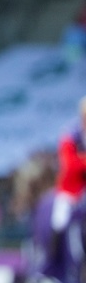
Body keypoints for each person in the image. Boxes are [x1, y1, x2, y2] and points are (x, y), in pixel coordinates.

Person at [50, 96, 86, 258]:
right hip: (72, 188)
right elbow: (70, 165)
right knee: (60, 219)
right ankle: (52, 258)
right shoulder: (70, 135)